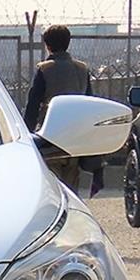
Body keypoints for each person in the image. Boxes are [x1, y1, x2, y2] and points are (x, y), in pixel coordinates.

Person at [24, 25, 93, 194]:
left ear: (47, 45)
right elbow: (89, 102)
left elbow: (33, 105)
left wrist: (26, 134)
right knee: (71, 189)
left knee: (52, 188)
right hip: (77, 136)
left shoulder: (45, 69)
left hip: (50, 135)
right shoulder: (82, 69)